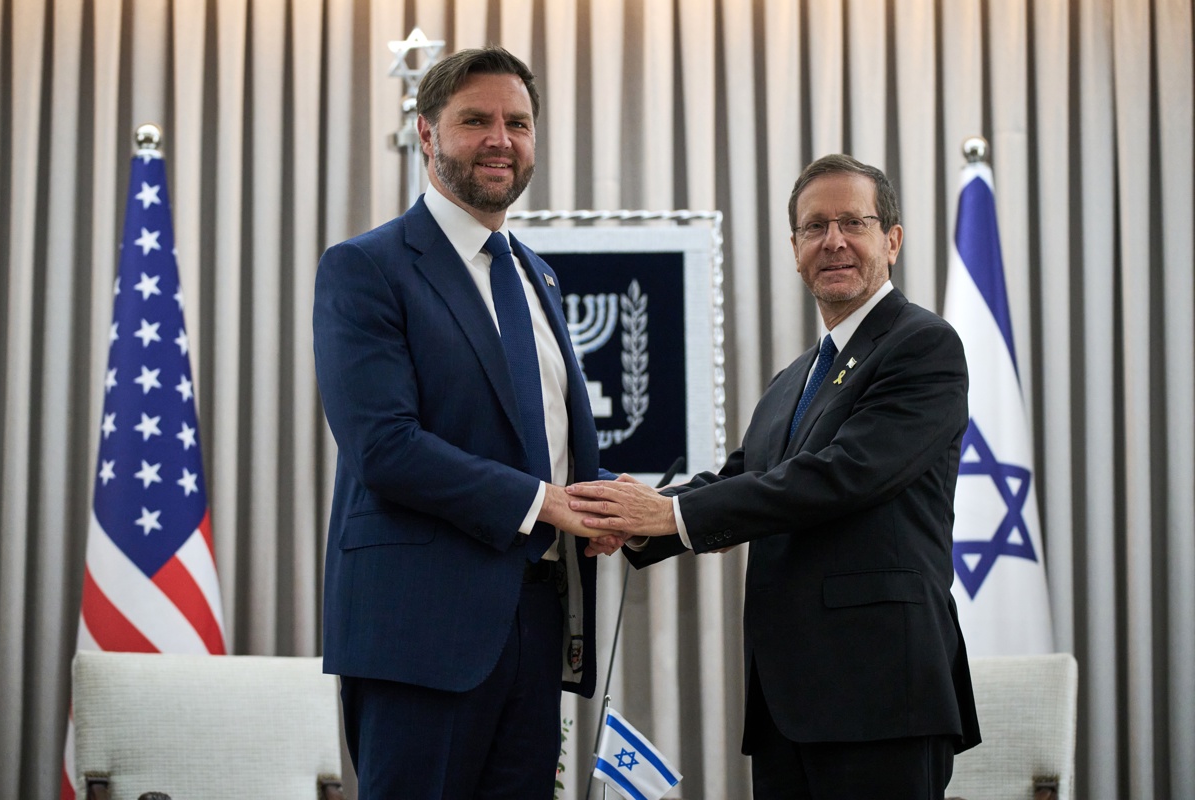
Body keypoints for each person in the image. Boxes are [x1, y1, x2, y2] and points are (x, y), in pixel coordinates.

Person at [567, 154, 982, 799]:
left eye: (853, 223)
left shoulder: (923, 345)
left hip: (880, 693)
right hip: (788, 699)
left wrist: (668, 514)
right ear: (794, 249)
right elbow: (743, 477)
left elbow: (842, 476)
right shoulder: (795, 377)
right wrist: (636, 520)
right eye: (815, 227)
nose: (833, 241)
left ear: (892, 241)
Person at [313, 46, 615, 799]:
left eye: (519, 123)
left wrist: (617, 502)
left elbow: (536, 444)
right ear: (426, 133)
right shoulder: (366, 266)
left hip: (538, 621)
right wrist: (547, 503)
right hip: (418, 633)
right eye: (476, 120)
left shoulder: (538, 275)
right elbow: (385, 447)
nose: (500, 140)